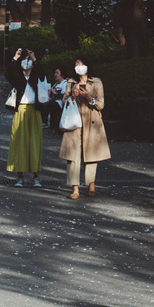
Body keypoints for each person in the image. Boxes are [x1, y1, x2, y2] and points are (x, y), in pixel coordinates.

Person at [59, 55, 111, 199]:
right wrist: (73, 96)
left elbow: (101, 105)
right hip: (74, 120)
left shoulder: (96, 82)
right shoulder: (71, 82)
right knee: (72, 154)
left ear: (87, 66)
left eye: (81, 64)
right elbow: (63, 102)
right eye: (76, 64)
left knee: (91, 153)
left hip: (91, 120)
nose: (79, 66)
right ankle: (75, 188)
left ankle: (91, 184)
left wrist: (89, 98)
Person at [6, 46, 44, 187]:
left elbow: (43, 73)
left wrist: (34, 58)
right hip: (20, 110)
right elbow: (8, 73)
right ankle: (20, 177)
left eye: (29, 60)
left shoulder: (36, 76)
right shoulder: (17, 76)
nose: (26, 62)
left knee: (35, 144)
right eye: (25, 59)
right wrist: (16, 58)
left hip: (34, 110)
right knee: (19, 144)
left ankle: (36, 177)